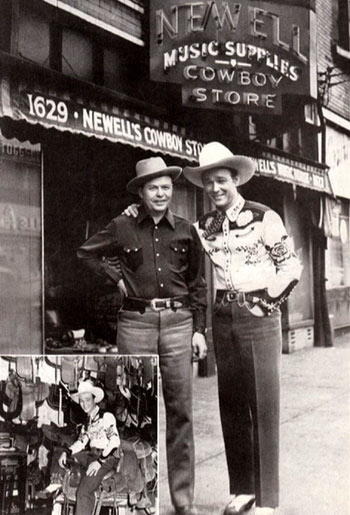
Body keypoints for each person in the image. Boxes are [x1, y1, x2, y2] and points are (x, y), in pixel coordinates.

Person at [77, 156, 207, 515]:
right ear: (142, 192)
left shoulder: (186, 230)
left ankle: (184, 503)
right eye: (154, 187)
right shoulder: (122, 225)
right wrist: (117, 279)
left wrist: (199, 330)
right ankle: (134, 498)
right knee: (130, 409)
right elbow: (86, 253)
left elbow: (198, 284)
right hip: (135, 323)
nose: (161, 193)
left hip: (179, 324)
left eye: (166, 186)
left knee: (180, 412)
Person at [182, 141, 303, 515]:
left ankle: (267, 498)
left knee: (262, 404)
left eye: (221, 181)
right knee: (231, 404)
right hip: (223, 314)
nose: (215, 189)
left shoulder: (264, 216)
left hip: (259, 314)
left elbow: (291, 268)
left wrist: (266, 302)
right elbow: (195, 272)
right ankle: (242, 490)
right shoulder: (203, 227)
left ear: (235, 179)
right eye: (208, 184)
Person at [58, 380, 120, 515]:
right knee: (62, 459)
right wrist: (66, 452)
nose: (84, 404)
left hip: (106, 457)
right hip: (91, 454)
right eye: (81, 401)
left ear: (94, 399)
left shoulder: (106, 417)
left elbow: (115, 441)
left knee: (84, 492)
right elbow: (81, 442)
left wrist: (99, 462)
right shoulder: (87, 422)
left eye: (87, 400)